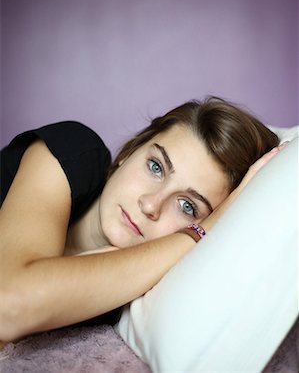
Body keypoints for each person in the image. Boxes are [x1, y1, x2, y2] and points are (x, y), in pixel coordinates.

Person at [0, 96, 283, 344]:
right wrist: (201, 229)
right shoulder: (73, 152)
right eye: (155, 166)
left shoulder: (139, 303)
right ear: (129, 152)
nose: (150, 204)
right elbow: (9, 306)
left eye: (187, 206)